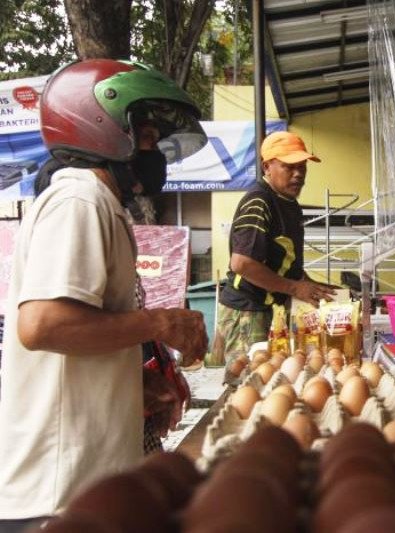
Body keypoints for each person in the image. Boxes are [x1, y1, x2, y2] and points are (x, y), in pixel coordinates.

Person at [0, 59, 209, 532]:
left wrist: (129, 386)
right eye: (148, 138)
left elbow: (83, 334)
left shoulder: (100, 204)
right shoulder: (78, 201)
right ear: (102, 129)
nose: (155, 154)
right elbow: (43, 325)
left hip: (83, 488)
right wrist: (160, 323)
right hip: (55, 498)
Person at [212, 131, 336, 380]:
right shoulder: (259, 201)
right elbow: (242, 263)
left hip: (269, 311)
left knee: (268, 381)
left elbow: (286, 262)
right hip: (247, 313)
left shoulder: (287, 203)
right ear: (267, 167)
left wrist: (310, 286)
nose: (298, 174)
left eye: (302, 167)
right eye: (289, 166)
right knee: (247, 385)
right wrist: (294, 288)